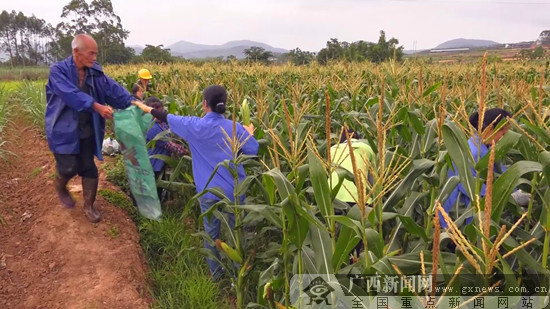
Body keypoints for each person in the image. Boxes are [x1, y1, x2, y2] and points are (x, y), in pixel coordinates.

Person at [133, 85, 258, 281]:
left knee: (211, 234)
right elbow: (253, 150)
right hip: (234, 192)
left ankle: (216, 276)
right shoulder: (234, 128)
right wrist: (248, 132)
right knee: (236, 234)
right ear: (224, 104)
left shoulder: (193, 125)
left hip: (207, 192)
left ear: (204, 104)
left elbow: (165, 116)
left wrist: (144, 107)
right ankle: (237, 278)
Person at [45, 34, 134, 223]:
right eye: (91, 53)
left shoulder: (95, 73)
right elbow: (71, 95)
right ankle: (61, 186)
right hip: (63, 129)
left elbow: (113, 90)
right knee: (69, 168)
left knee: (89, 168)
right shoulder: (58, 71)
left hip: (86, 129)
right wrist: (97, 107)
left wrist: (134, 102)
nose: (95, 58)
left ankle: (89, 206)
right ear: (76, 52)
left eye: (96, 54)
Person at [439, 108, 528, 230]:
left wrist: (518, 187)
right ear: (490, 130)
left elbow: (502, 173)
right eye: (504, 133)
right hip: (457, 218)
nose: (505, 138)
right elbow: (468, 186)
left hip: (471, 214)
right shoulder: (473, 153)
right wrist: (508, 196)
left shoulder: (486, 148)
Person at [144, 96, 189, 200]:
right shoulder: (152, 127)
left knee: (159, 185)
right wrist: (188, 152)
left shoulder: (163, 123)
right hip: (152, 163)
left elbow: (173, 134)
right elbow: (169, 145)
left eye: (159, 110)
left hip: (160, 163)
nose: (158, 114)